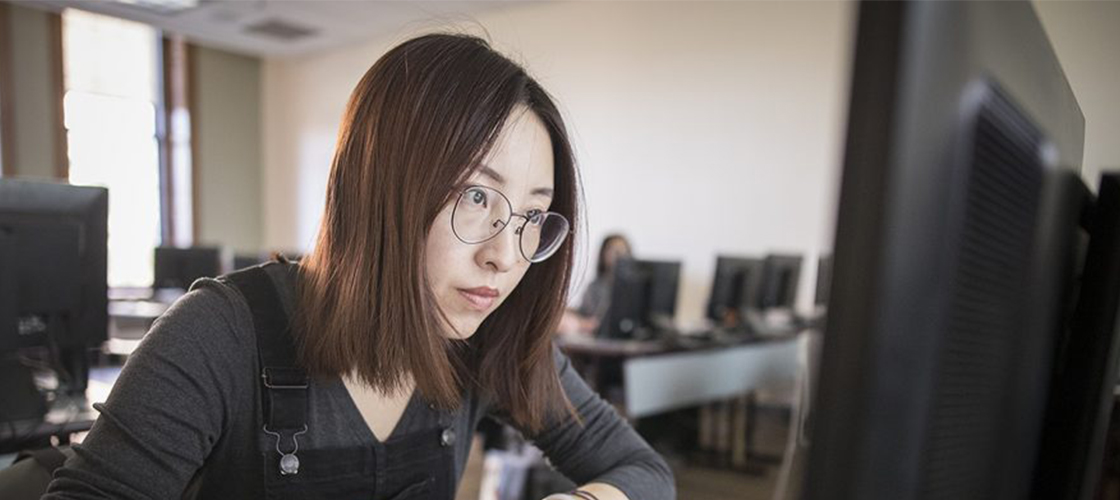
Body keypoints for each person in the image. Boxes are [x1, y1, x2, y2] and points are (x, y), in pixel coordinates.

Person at [44, 34, 674, 500]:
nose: (504, 256)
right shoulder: (219, 336)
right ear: (380, 190)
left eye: (533, 216)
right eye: (475, 196)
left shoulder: (490, 339)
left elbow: (645, 473)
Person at [560, 234, 632, 335]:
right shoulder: (594, 286)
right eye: (612, 250)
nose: (618, 254)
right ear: (603, 254)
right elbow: (584, 312)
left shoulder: (633, 289)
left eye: (622, 250)